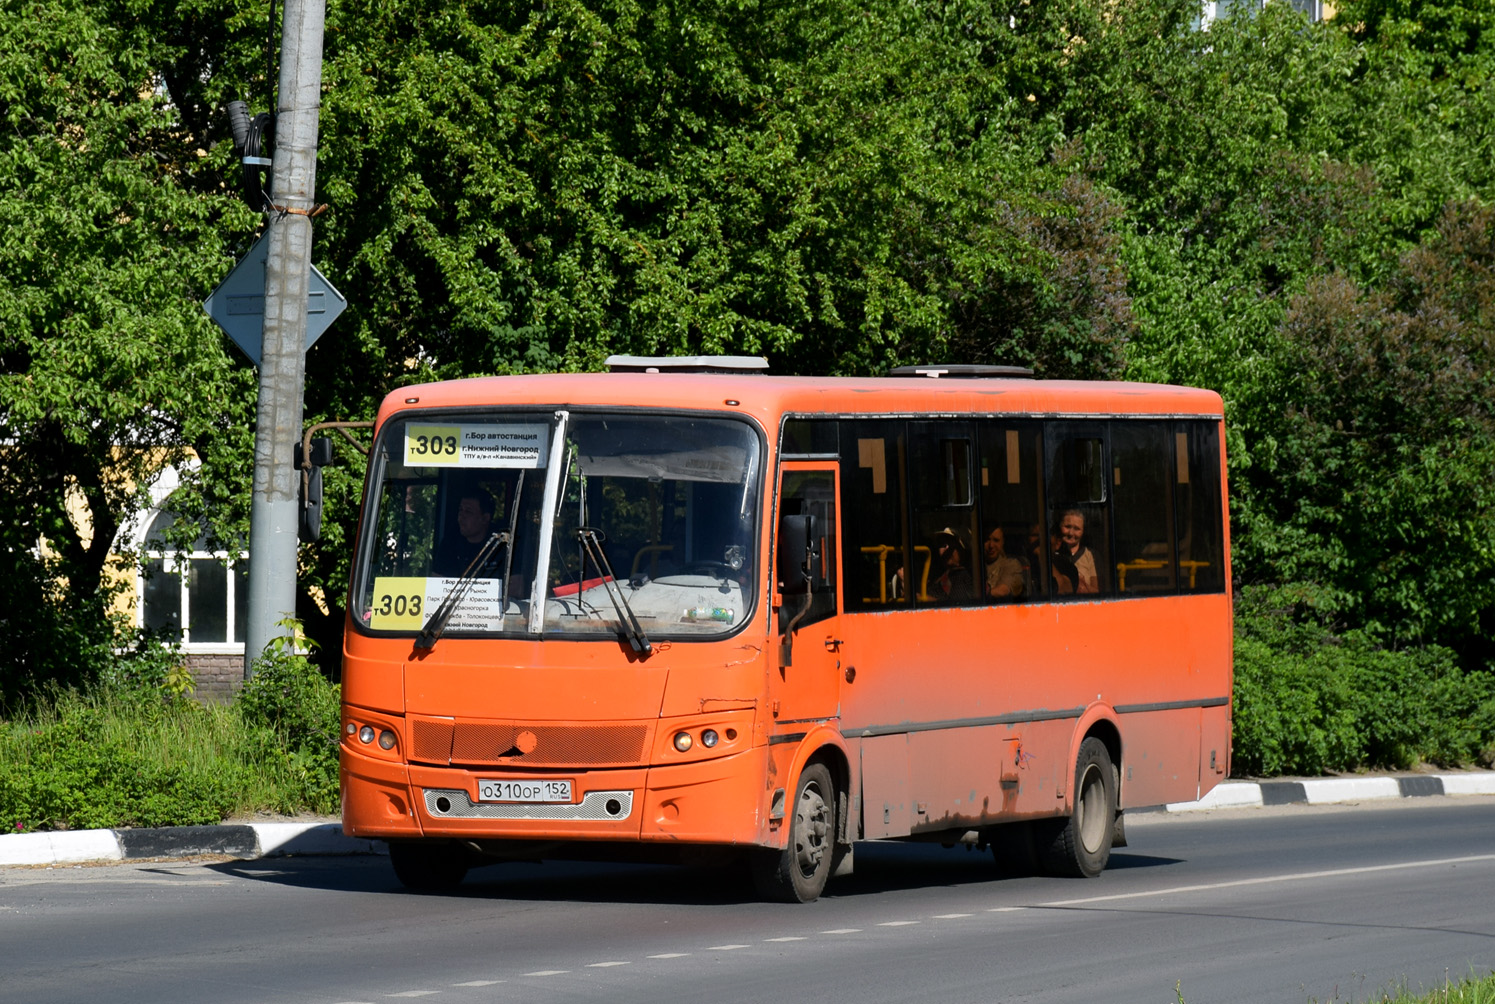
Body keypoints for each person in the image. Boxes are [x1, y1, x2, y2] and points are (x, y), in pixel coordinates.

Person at [434, 489, 498, 577]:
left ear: (485, 518)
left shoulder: (500, 545)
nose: (461, 515)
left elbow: (515, 586)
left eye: (468, 511)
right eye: (460, 510)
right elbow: (436, 582)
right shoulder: (450, 542)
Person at [1051, 508, 1098, 595]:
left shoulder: (1089, 555)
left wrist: (1082, 584)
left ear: (1083, 531)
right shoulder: (1052, 554)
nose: (1071, 533)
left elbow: (1097, 592)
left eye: (1077, 529)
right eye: (1067, 527)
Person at [982, 526, 1026, 601]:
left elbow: (1003, 590)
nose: (991, 545)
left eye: (996, 540)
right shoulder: (973, 566)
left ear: (1003, 542)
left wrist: (979, 595)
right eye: (987, 540)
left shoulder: (1011, 565)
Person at [931, 527, 974, 602]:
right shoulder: (937, 575)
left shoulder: (963, 576)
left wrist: (928, 600)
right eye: (943, 545)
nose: (947, 550)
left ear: (962, 550)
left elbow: (958, 605)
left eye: (951, 544)